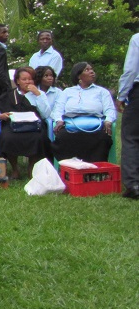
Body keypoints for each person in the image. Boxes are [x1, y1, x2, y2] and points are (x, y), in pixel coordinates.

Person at [0, 66, 52, 179]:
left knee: (39, 138)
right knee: (7, 137)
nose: (28, 82)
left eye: (30, 79)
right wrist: (0, 115)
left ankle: (31, 167)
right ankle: (15, 169)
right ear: (17, 81)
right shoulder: (9, 94)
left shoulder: (39, 94)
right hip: (14, 126)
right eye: (24, 79)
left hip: (34, 126)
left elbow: (46, 114)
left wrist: (38, 95)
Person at [50, 62, 117, 162]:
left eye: (92, 69)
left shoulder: (102, 92)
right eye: (87, 70)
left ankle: (95, 169)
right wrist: (59, 120)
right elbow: (58, 109)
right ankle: (70, 168)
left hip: (95, 126)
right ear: (79, 76)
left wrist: (108, 121)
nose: (92, 72)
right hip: (71, 125)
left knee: (103, 138)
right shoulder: (67, 92)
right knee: (62, 137)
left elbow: (110, 109)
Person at [117, 32, 139, 199]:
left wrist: (122, 95)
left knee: (131, 137)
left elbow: (131, 70)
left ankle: (133, 184)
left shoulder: (137, 38)